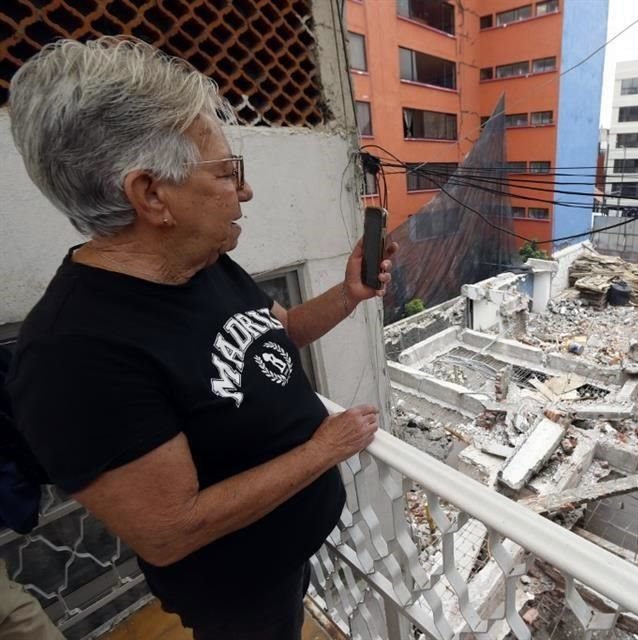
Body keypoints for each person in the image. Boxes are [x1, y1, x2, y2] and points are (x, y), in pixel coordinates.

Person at [5, 37, 397, 640]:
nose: (244, 192)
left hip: (286, 556)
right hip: (237, 590)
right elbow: (171, 528)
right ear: (151, 195)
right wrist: (324, 449)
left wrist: (347, 294)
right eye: (226, 172)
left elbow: (280, 332)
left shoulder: (200, 261)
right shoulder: (75, 356)